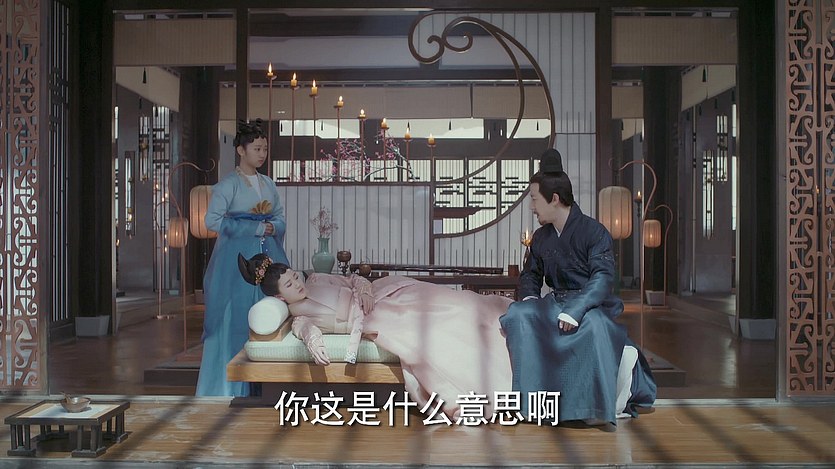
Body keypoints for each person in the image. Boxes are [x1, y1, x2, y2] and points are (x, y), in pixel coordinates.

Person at [238, 253, 513, 419]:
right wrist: (314, 342)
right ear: (279, 297)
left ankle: (501, 316)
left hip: (380, 295)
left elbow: (354, 280)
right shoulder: (299, 315)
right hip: (375, 319)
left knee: (451, 301)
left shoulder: (317, 279)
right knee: (430, 331)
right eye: (289, 284)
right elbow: (306, 331)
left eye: (294, 276)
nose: (297, 283)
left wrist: (366, 291)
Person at [499, 149, 656, 427]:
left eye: (534, 199)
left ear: (554, 199)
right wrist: (530, 298)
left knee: (593, 327)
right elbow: (530, 275)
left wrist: (576, 309)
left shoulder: (594, 232)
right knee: (519, 316)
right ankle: (533, 405)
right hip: (555, 303)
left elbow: (603, 277)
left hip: (590, 305)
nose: (532, 207)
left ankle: (591, 406)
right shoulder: (541, 237)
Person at [195, 120, 290, 397]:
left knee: (270, 311)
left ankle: (266, 384)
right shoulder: (228, 185)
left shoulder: (268, 183)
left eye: (265, 149)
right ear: (241, 150)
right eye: (256, 148)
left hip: (268, 253)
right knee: (234, 317)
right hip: (236, 262)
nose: (262, 154)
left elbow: (280, 216)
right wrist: (253, 228)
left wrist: (274, 227)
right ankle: (229, 386)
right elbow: (212, 221)